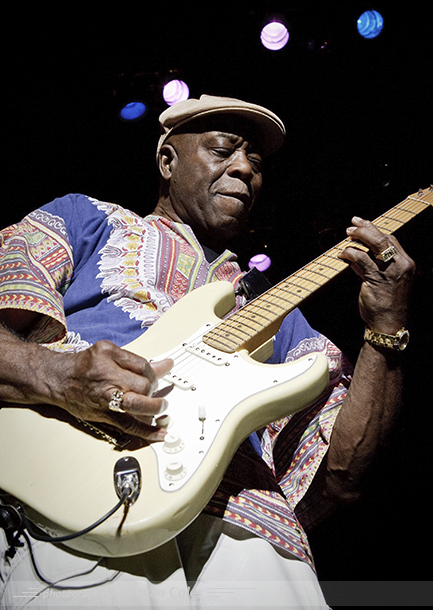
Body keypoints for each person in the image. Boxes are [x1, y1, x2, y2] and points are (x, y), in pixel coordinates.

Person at [0, 95, 415, 609]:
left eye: (256, 163)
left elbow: (342, 474)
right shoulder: (83, 220)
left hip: (249, 532)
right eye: (223, 150)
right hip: (79, 498)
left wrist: (386, 328)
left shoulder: (274, 307)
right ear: (167, 162)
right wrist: (59, 377)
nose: (244, 168)